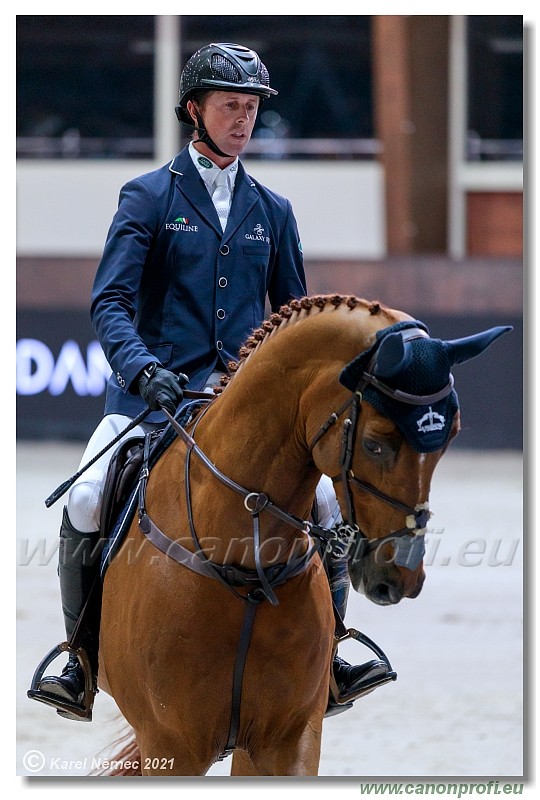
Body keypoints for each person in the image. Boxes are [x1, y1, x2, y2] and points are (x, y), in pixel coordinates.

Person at [31, 42, 390, 721]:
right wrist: (142, 370)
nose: (242, 120)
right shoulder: (148, 196)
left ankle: (337, 650)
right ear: (194, 110)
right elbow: (110, 302)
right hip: (152, 394)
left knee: (331, 509)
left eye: (251, 108)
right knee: (84, 498)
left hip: (243, 403)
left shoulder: (273, 209)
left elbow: (295, 318)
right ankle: (78, 659)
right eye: (230, 106)